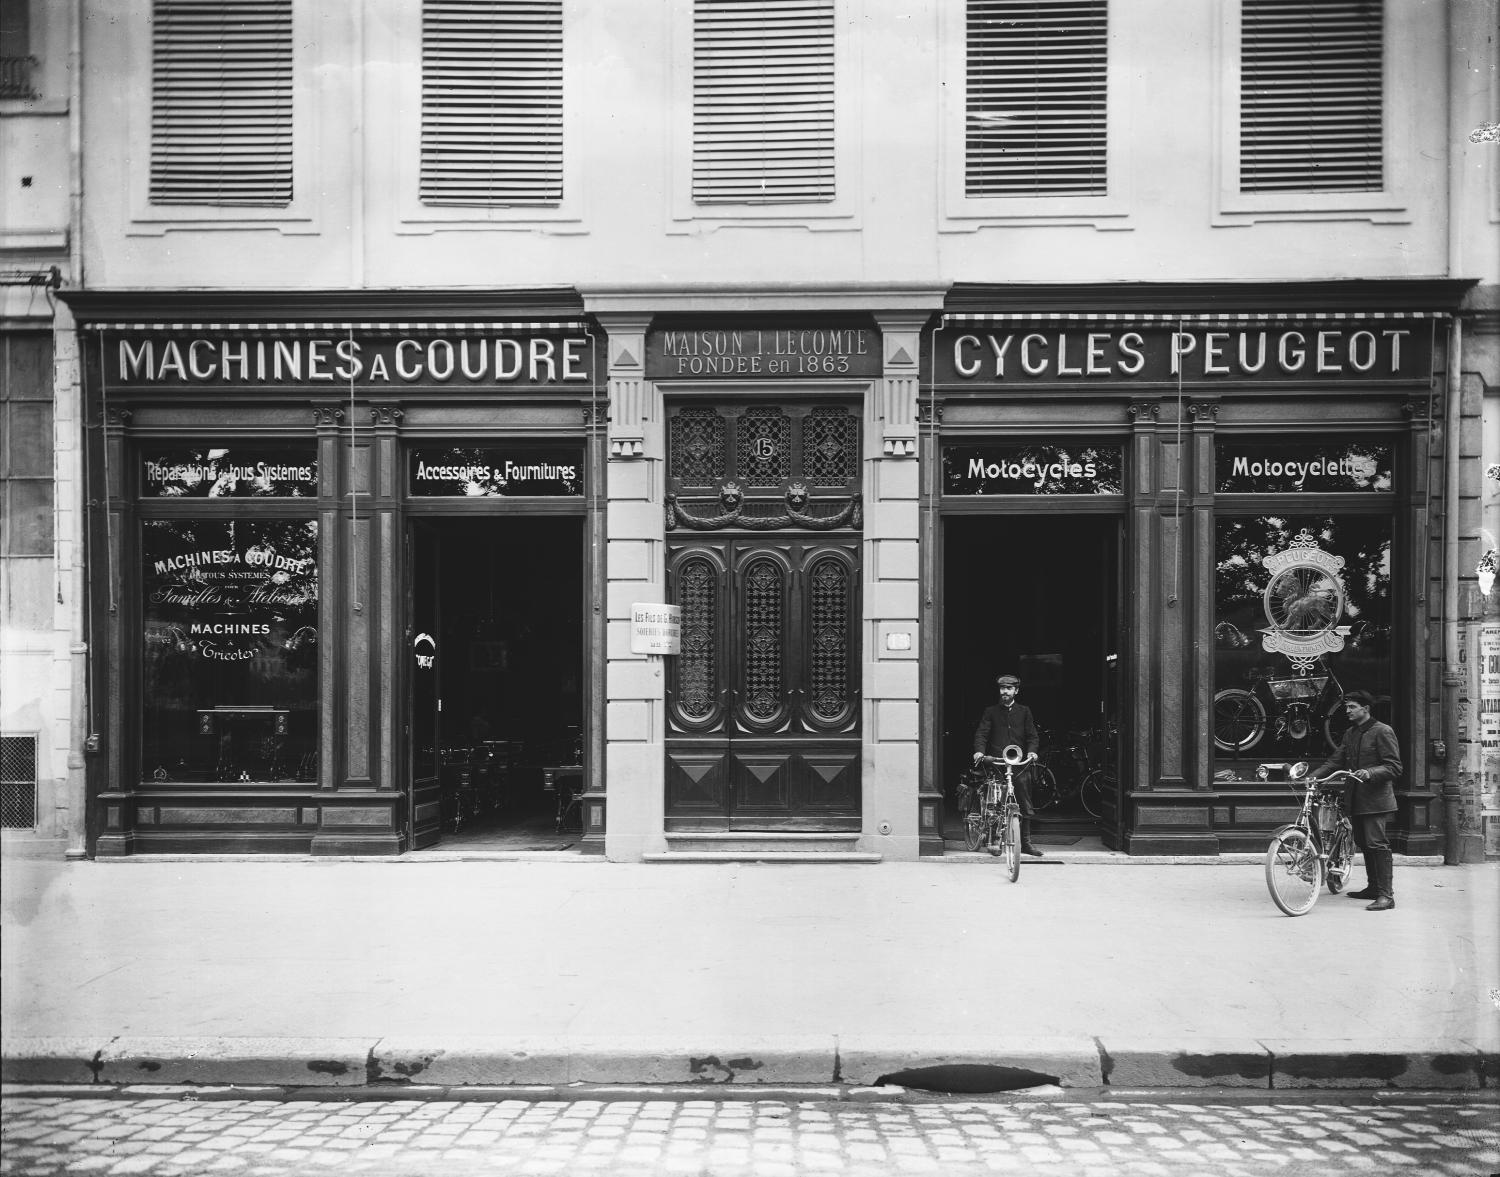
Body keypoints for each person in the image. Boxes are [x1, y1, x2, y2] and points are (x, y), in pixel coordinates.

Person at [1313, 690, 1402, 911]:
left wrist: (1370, 773)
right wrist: (1313, 777)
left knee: (1377, 844)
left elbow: (1394, 767)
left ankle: (1386, 896)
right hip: (1355, 799)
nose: (1348, 711)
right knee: (1364, 843)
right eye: (1347, 707)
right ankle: (1373, 888)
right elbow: (1336, 761)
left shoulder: (1383, 731)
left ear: (1366, 709)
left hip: (1376, 800)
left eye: (1352, 707)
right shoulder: (1350, 734)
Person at [972, 673, 1043, 857]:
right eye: (1003, 688)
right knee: (995, 800)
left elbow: (1032, 736)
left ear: (1016, 691)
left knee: (1025, 802)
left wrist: (1032, 751)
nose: (1005, 691)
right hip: (997, 762)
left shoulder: (1024, 711)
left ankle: (1026, 843)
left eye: (1009, 688)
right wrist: (980, 751)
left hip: (1018, 764)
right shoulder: (991, 711)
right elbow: (982, 734)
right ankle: (995, 841)